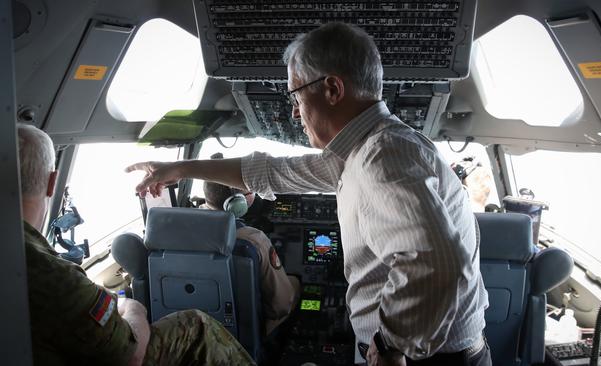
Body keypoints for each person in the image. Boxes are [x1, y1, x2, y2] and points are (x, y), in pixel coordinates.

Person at [127, 22, 490, 366]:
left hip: (424, 357)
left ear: (332, 89)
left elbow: (434, 265)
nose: (295, 111)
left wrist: (390, 344)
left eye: (296, 95)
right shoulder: (361, 152)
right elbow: (272, 172)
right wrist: (183, 168)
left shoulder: (384, 156)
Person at [17, 124, 255, 366]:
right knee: (196, 326)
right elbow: (130, 355)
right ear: (52, 182)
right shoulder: (53, 275)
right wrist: (133, 308)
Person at [201, 153, 299, 335]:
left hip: (197, 327)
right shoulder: (252, 239)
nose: (254, 193)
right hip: (242, 334)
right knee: (294, 285)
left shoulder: (176, 231)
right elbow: (282, 305)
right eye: (250, 189)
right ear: (237, 202)